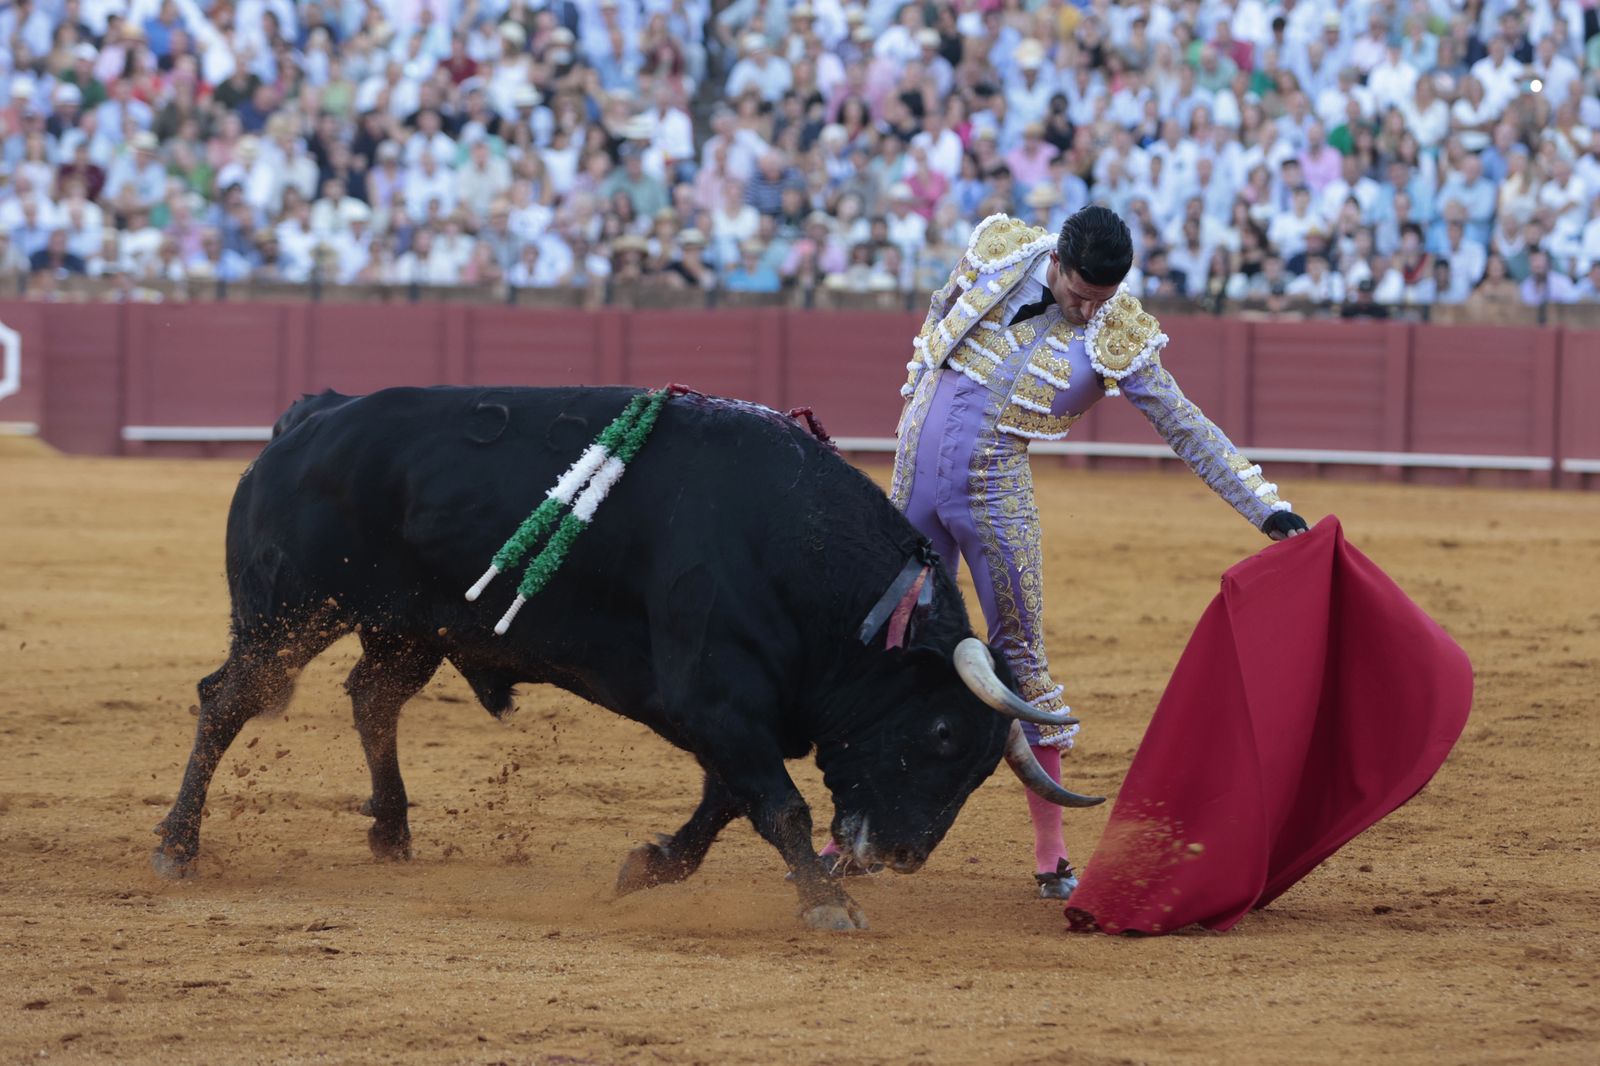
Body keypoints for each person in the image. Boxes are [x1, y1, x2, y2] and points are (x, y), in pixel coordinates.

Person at [849, 207, 1309, 899]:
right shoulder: (1003, 250)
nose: (1087, 310)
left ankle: (1050, 854)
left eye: (1100, 300)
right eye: (1078, 295)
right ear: (1058, 260)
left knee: (1023, 662)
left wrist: (1265, 507)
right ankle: (849, 830)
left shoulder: (1117, 330)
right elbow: (938, 320)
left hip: (993, 494)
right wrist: (916, 406)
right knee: (887, 650)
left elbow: (1186, 426)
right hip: (914, 476)